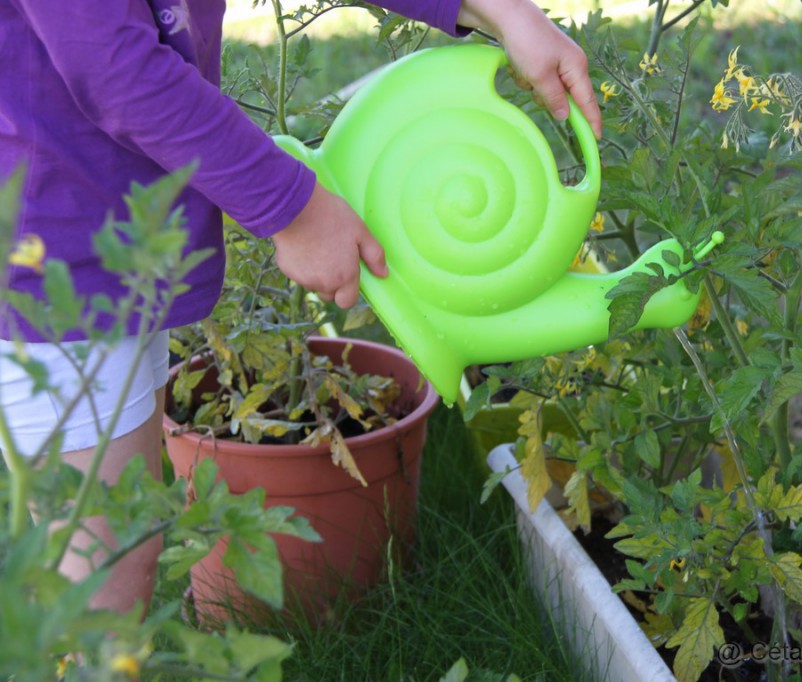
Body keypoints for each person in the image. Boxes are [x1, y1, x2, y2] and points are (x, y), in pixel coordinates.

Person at [0, 0, 601, 614]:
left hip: (107, 244)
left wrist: (498, 10)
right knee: (99, 584)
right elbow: (117, 70)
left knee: (119, 548)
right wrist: (296, 210)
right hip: (53, 267)